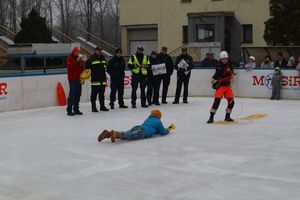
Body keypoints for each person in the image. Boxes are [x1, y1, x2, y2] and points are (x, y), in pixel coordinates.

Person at [97, 109, 176, 143]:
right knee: (129, 136)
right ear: (159, 117)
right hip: (143, 132)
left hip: (138, 127)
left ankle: (108, 134)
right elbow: (163, 132)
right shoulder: (158, 122)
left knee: (126, 134)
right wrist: (169, 128)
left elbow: (156, 130)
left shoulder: (148, 119)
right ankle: (116, 133)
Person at [207, 51, 235, 124]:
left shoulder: (229, 63)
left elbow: (231, 71)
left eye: (226, 59)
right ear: (221, 59)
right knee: (216, 102)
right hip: (220, 86)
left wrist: (232, 74)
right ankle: (211, 117)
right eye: (223, 59)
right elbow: (216, 74)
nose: (225, 60)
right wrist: (213, 79)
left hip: (227, 86)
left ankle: (227, 116)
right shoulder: (219, 65)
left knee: (231, 102)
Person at [86, 47, 109, 112]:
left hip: (102, 79)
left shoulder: (103, 58)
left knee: (102, 95)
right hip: (95, 80)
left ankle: (102, 106)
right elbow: (87, 68)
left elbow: (105, 67)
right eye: (99, 50)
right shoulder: (91, 58)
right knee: (94, 95)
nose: (100, 52)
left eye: (100, 50)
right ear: (95, 51)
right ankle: (93, 107)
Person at [66, 47, 84, 116]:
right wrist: (76, 61)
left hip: (79, 78)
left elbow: (81, 68)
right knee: (72, 94)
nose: (78, 53)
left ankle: (76, 109)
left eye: (78, 52)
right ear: (73, 52)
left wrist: (83, 76)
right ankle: (69, 110)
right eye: (77, 52)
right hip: (72, 79)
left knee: (78, 94)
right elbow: (70, 68)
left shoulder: (79, 59)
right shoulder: (69, 58)